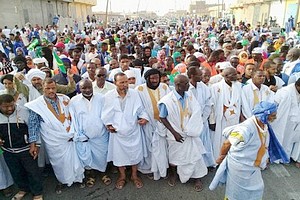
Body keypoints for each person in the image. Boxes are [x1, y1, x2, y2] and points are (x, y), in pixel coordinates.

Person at [210, 101, 288, 200]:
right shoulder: (245, 129)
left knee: (257, 189)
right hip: (240, 168)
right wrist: (221, 157)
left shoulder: (264, 125)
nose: (275, 118)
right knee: (236, 194)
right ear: (264, 115)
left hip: (253, 167)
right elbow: (227, 143)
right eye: (273, 115)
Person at [25, 78, 84, 194]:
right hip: (53, 140)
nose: (51, 91)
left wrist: (74, 131)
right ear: (43, 88)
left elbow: (74, 117)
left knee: (75, 158)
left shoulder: (64, 99)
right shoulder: (36, 105)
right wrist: (33, 144)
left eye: (53, 88)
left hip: (71, 136)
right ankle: (62, 181)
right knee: (58, 162)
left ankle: (78, 178)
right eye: (48, 88)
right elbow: (33, 125)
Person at [158, 75, 208, 192]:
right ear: (177, 85)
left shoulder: (190, 96)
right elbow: (162, 117)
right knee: (175, 157)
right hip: (175, 134)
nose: (188, 85)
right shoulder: (166, 101)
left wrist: (192, 128)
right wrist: (175, 133)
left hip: (190, 134)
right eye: (185, 83)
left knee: (195, 155)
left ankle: (197, 178)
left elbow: (197, 111)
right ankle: (173, 175)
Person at [101, 72, 149, 190]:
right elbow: (105, 113)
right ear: (115, 83)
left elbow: (140, 109)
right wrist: (108, 124)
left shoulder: (134, 93)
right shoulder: (109, 96)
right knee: (119, 156)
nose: (125, 84)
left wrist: (144, 118)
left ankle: (134, 175)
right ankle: (122, 176)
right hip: (117, 132)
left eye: (126, 81)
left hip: (133, 129)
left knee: (135, 153)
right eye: (121, 82)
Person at [0, 94, 43, 200]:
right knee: (16, 172)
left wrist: (36, 145)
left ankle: (37, 193)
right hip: (7, 150)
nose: (10, 109)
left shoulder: (24, 111)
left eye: (11, 105)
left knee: (32, 172)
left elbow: (34, 128)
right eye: (6, 106)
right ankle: (23, 189)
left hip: (26, 149)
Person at [69, 79, 111, 188]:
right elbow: (74, 119)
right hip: (84, 136)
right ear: (79, 89)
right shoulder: (74, 101)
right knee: (87, 157)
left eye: (89, 87)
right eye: (84, 88)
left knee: (102, 156)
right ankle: (91, 175)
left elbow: (107, 114)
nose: (87, 90)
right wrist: (78, 134)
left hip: (101, 135)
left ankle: (103, 173)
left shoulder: (101, 98)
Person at [136, 69, 170, 180]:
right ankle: (151, 168)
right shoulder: (139, 90)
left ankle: (163, 168)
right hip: (148, 123)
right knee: (150, 146)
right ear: (147, 79)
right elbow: (138, 106)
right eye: (152, 78)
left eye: (157, 78)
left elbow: (170, 103)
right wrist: (145, 117)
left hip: (163, 123)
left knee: (163, 147)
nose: (155, 80)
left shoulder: (164, 87)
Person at [209, 67, 242, 160]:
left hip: (235, 119)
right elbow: (212, 105)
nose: (236, 76)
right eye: (234, 74)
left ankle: (232, 158)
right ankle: (219, 159)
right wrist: (212, 121)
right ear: (226, 76)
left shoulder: (239, 86)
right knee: (220, 139)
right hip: (221, 119)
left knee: (234, 139)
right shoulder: (216, 87)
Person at [187, 67, 215, 167]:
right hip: (189, 123)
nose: (202, 77)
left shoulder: (203, 87)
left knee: (204, 144)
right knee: (192, 147)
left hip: (202, 121)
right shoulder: (185, 87)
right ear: (192, 76)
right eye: (199, 75)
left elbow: (208, 104)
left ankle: (206, 164)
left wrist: (203, 119)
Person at [271, 78, 300, 167]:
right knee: (280, 138)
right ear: (298, 86)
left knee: (289, 140)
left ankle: (285, 157)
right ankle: (276, 157)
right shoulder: (284, 92)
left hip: (294, 123)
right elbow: (274, 105)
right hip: (282, 121)